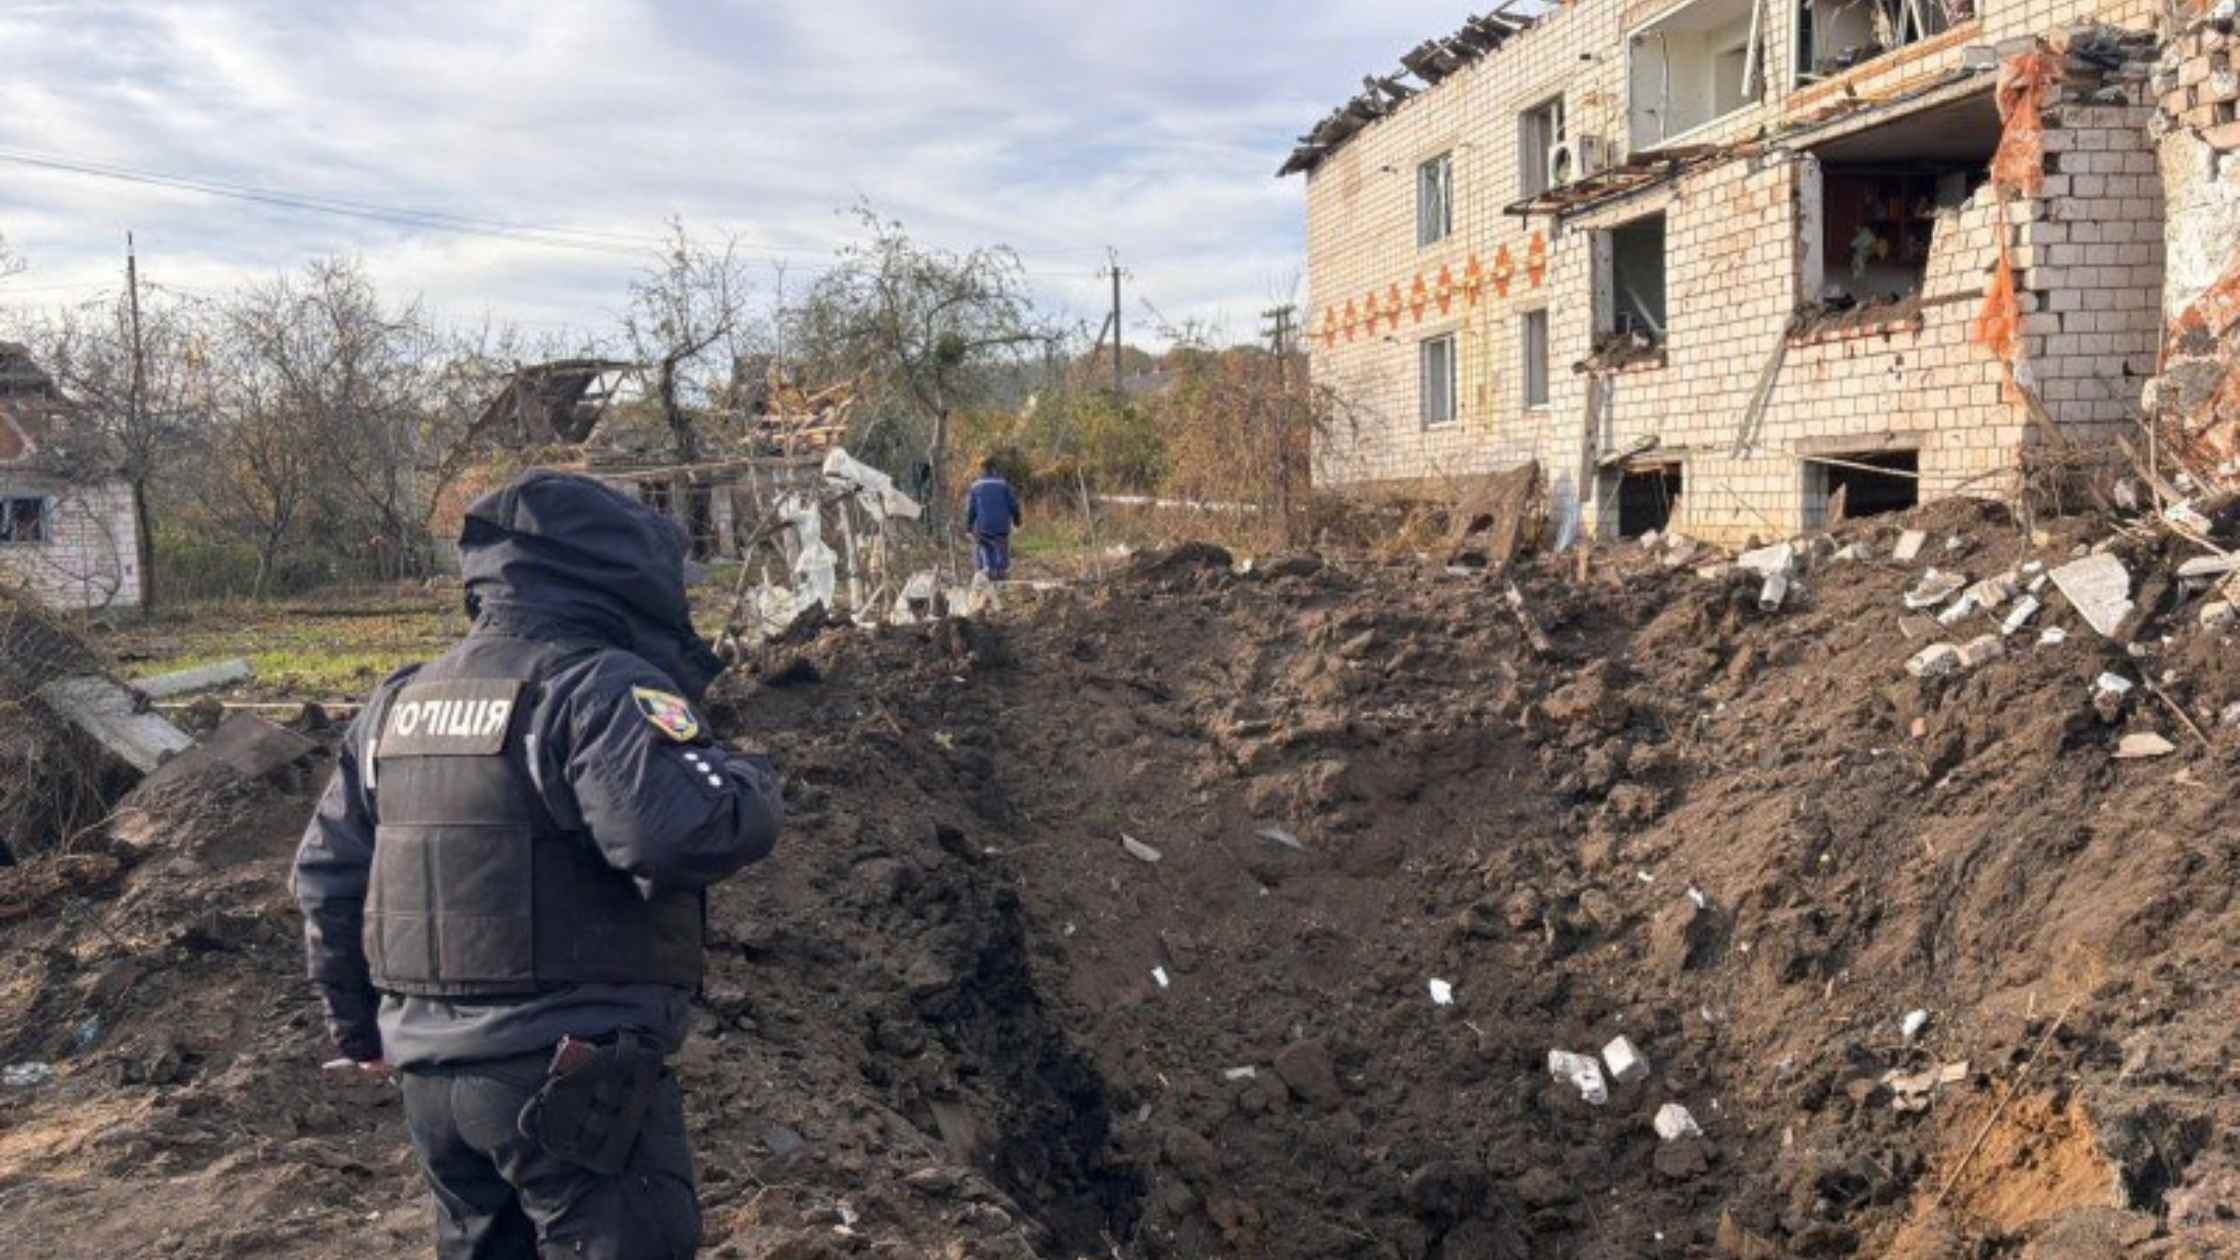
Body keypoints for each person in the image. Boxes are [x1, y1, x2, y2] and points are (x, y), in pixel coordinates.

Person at [293, 470, 783, 1260]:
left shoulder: (399, 702)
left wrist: (359, 1030)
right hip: (569, 1079)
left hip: (431, 1080)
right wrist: (748, 781)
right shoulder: (595, 684)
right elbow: (677, 835)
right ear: (620, 581)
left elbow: (327, 874)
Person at [963, 458, 1023, 581]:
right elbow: (1014, 505)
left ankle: (986, 572)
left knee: (983, 549)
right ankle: (1002, 576)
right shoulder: (1003, 485)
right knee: (1001, 551)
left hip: (983, 526)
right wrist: (1017, 522)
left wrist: (968, 528)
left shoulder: (975, 486)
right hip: (1001, 526)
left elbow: (971, 509)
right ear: (994, 469)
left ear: (981, 470)